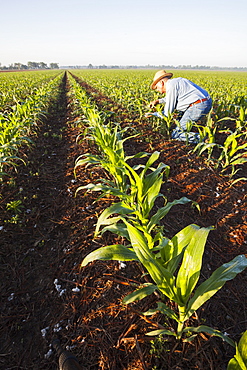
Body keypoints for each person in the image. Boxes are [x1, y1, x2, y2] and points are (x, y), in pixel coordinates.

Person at [146, 70, 212, 143]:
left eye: (157, 88)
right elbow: (173, 97)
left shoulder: (171, 86)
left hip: (197, 106)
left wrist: (153, 114)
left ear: (161, 83)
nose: (159, 91)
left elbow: (167, 113)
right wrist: (158, 101)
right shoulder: (176, 82)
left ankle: (205, 139)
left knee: (176, 134)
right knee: (178, 120)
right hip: (206, 101)